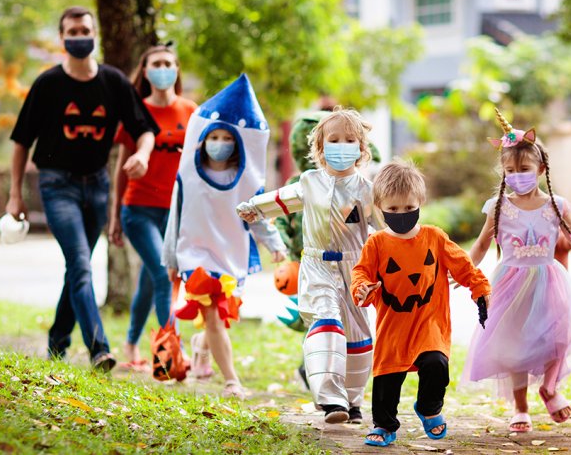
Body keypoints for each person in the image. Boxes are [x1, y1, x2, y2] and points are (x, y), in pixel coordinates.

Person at [6, 6, 158, 371]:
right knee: (80, 264)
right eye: (72, 31)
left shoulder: (114, 81)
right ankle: (98, 348)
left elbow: (145, 128)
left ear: (95, 34)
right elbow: (21, 141)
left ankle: (57, 342)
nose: (79, 37)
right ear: (62, 38)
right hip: (57, 184)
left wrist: (144, 154)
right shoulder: (48, 84)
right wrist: (14, 194)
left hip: (98, 186)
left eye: (85, 30)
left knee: (79, 268)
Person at [464, 109, 571, 432]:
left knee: (558, 339)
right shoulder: (498, 207)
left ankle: (549, 388)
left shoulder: (557, 206)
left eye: (524, 169)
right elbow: (479, 245)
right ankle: (520, 409)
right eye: (510, 170)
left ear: (541, 169)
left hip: (549, 281)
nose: (517, 175)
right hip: (510, 282)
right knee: (515, 345)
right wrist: (463, 270)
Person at [237, 108, 379, 424]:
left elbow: (385, 228)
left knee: (358, 335)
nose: (341, 146)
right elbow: (283, 197)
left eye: (349, 140)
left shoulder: (366, 189)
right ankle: (330, 399)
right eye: (333, 140)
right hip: (317, 265)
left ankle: (353, 400)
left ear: (360, 148)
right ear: (319, 148)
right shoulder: (309, 181)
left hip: (355, 267)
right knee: (325, 319)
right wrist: (255, 209)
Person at [162, 74, 286, 398]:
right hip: (195, 255)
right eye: (213, 136)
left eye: (226, 137)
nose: (219, 143)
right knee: (214, 317)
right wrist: (171, 258)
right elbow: (177, 216)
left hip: (231, 256)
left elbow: (255, 216)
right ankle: (232, 380)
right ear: (201, 139)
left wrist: (274, 244)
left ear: (237, 142)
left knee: (220, 318)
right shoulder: (189, 175)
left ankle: (201, 349)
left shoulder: (244, 180)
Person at [351, 161, 491, 447]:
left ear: (420, 202)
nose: (401, 215)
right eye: (393, 210)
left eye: (408, 208)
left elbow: (464, 266)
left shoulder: (434, 238)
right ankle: (384, 424)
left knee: (436, 363)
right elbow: (361, 273)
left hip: (430, 322)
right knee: (387, 379)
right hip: (393, 325)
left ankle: (429, 408)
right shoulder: (377, 244)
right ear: (379, 207)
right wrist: (362, 288)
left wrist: (479, 289)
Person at [107, 44, 198, 369]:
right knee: (163, 275)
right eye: (155, 63)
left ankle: (131, 344)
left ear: (176, 69)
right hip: (138, 209)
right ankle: (173, 350)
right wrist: (115, 215)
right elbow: (121, 167)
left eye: (168, 63)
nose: (162, 68)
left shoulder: (191, 112)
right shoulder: (136, 111)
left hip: (175, 212)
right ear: (145, 71)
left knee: (149, 281)